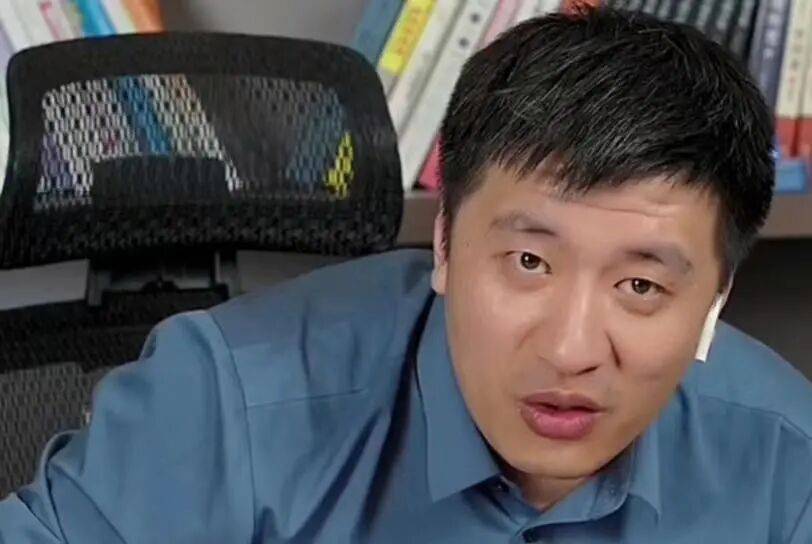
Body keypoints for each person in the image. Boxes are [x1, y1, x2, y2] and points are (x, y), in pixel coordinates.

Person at [2, 6, 811, 543]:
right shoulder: (227, 401)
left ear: (716, 298)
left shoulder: (786, 458)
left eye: (640, 287)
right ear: (447, 245)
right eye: (529, 262)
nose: (570, 351)